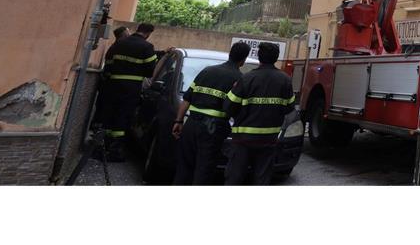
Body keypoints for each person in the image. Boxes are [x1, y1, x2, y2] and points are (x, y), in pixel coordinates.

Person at [173, 42, 250, 185]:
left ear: (230, 53)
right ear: (243, 60)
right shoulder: (239, 79)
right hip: (213, 128)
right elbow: (237, 109)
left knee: (184, 166)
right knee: (204, 169)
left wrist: (178, 121)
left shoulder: (207, 71)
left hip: (191, 123)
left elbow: (187, 99)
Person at [224, 42, 295, 185]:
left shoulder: (247, 78)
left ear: (258, 56)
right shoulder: (285, 80)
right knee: (262, 179)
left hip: (243, 139)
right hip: (269, 140)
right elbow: (289, 107)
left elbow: (228, 105)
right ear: (276, 58)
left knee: (234, 178)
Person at [97, 22, 158, 161]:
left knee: (109, 115)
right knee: (123, 117)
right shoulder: (147, 47)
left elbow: (109, 64)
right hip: (131, 88)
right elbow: (150, 71)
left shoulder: (119, 44)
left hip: (112, 85)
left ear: (138, 29)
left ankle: (102, 147)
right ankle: (115, 151)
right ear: (148, 33)